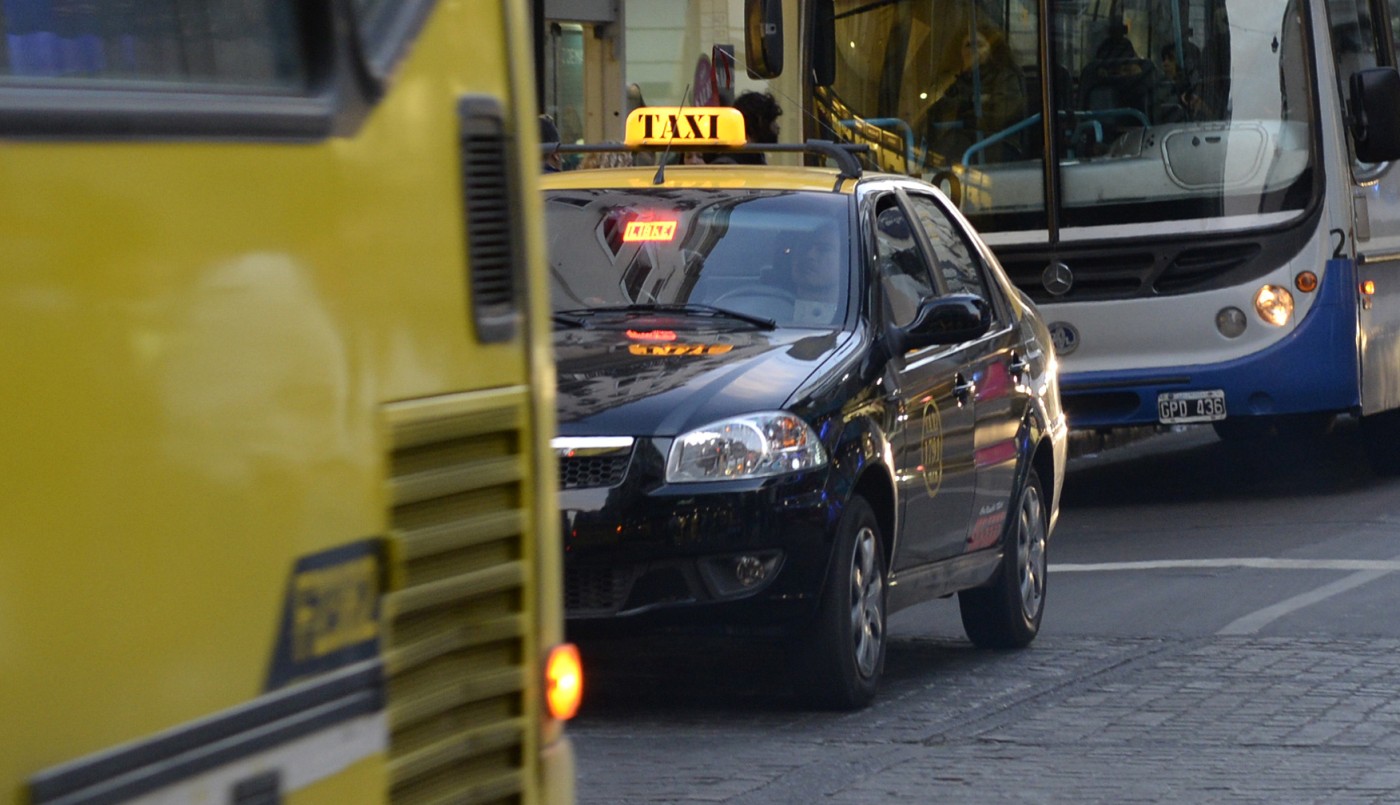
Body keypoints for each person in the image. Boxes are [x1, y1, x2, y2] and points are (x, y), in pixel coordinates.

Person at [924, 22, 1026, 165]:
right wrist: (974, 102)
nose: (972, 50)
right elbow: (938, 112)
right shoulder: (959, 81)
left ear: (992, 50)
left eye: (979, 44)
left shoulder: (1005, 76)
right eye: (967, 45)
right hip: (962, 145)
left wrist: (966, 117)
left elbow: (1003, 114)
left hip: (998, 145)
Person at [1155, 43, 1206, 122]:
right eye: (1164, 59)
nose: (1165, 63)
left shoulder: (1202, 90)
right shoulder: (1159, 88)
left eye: (1171, 59)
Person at [731, 90, 782, 165]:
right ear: (760, 121)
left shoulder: (755, 157)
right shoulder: (730, 164)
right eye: (773, 121)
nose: (778, 127)